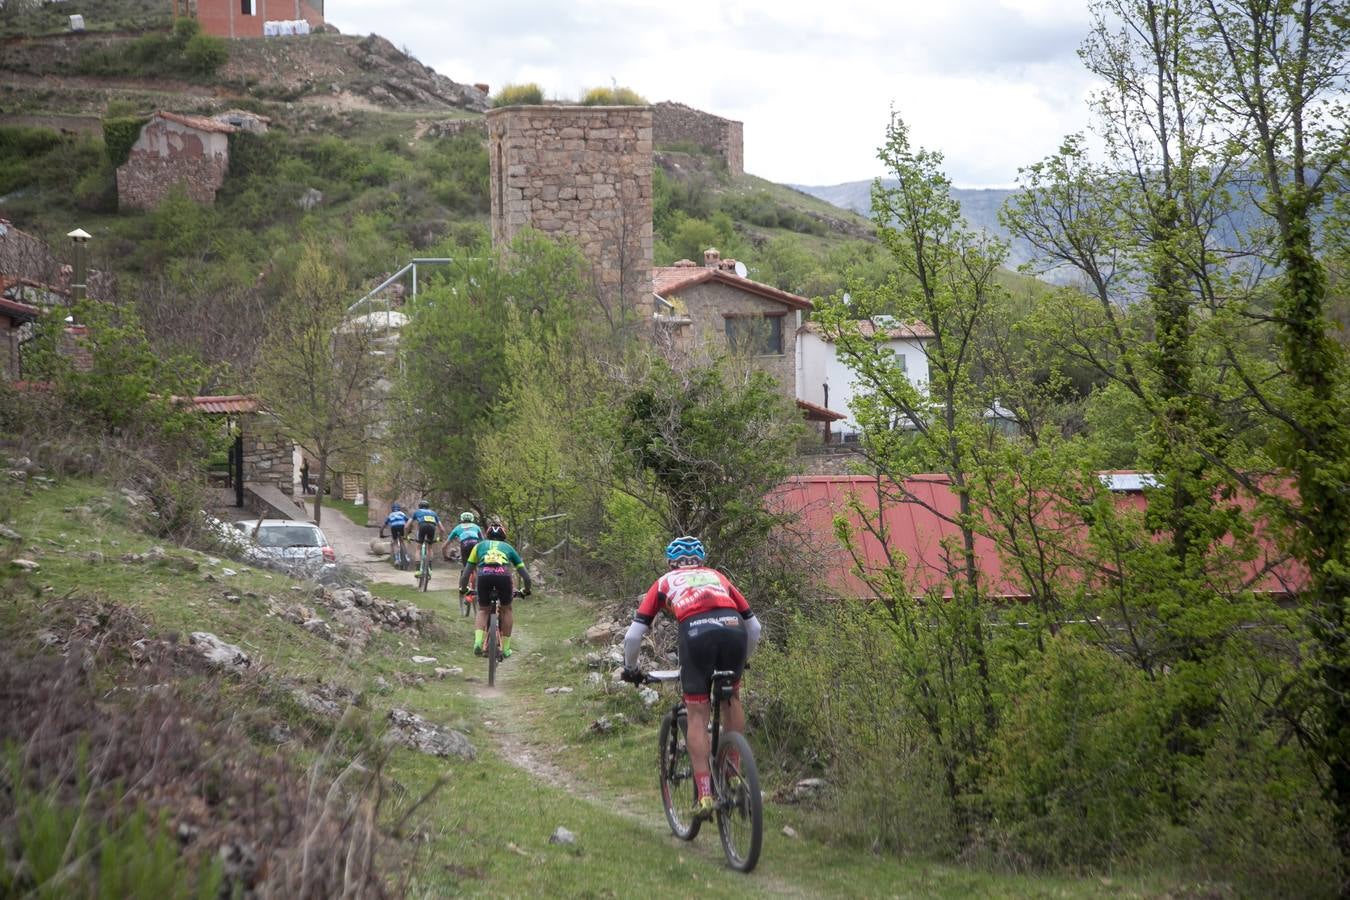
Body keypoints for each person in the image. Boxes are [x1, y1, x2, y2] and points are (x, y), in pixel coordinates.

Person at [621, 536, 762, 821]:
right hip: (734, 631)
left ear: (671, 563)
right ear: (701, 562)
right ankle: (734, 772)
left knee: (697, 714)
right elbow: (755, 627)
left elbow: (634, 635)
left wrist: (630, 669)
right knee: (731, 697)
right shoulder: (717, 577)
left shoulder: (664, 582)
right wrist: (742, 660)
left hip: (696, 633)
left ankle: (706, 794)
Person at [459, 523, 532, 658]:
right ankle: (506, 649)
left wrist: (464, 589)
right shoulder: (508, 548)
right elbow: (526, 577)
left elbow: (466, 574)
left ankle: (478, 643)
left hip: (484, 577)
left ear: (487, 535)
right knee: (506, 609)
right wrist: (526, 590)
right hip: (503, 577)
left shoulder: (479, 546)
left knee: (483, 610)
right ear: (503, 537)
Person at [447, 511, 483, 583]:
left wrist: (446, 556)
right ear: (472, 519)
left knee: (467, 568)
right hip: (475, 544)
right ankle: (474, 587)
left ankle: (466, 587)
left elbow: (445, 545)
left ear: (461, 519)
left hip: (465, 545)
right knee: (474, 568)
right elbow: (482, 541)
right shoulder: (476, 527)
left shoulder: (457, 528)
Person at [409, 501, 444, 574]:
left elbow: (406, 526)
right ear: (428, 507)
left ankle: (418, 570)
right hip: (432, 527)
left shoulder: (417, 512)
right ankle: (430, 568)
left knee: (418, 548)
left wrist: (406, 536)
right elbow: (442, 529)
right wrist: (440, 538)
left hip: (422, 526)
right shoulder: (433, 513)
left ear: (419, 507)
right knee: (430, 547)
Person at [383, 502, 410, 568]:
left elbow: (384, 525)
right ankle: (407, 556)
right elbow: (408, 521)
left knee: (395, 542)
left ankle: (397, 559)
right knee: (403, 541)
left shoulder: (390, 515)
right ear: (399, 509)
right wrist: (409, 530)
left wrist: (381, 533)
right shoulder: (402, 514)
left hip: (394, 527)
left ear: (392, 509)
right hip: (401, 526)